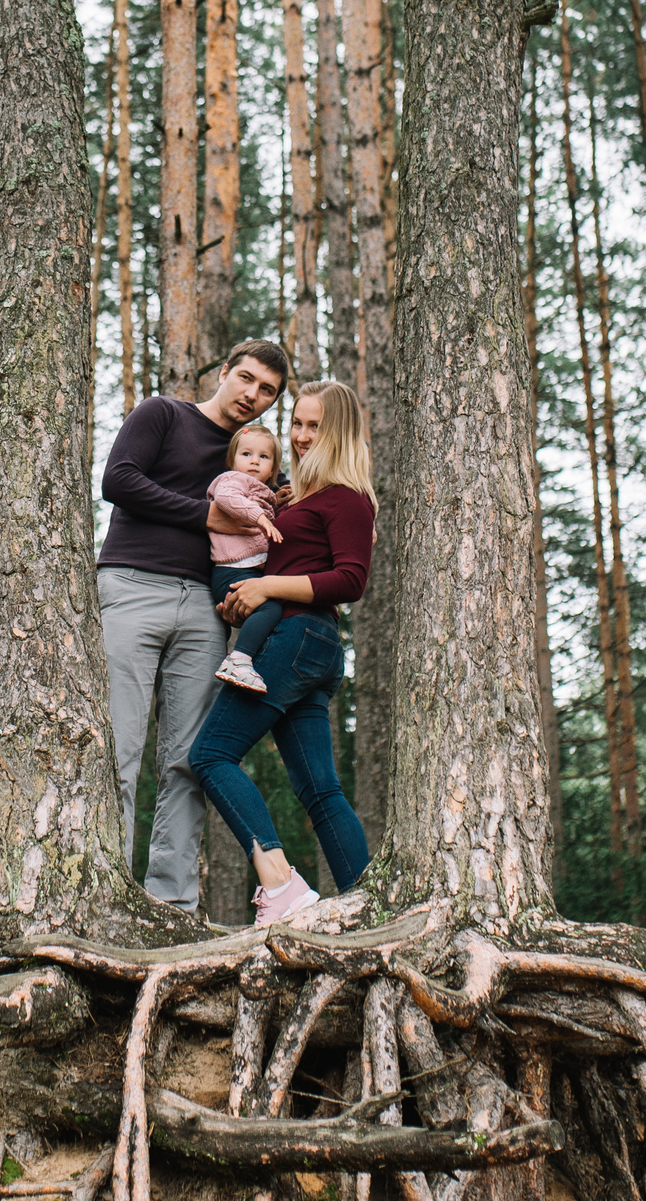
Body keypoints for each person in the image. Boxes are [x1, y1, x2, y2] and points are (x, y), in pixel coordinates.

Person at [97, 339, 291, 911]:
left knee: (188, 760)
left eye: (267, 391)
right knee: (119, 749)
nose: (252, 395)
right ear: (225, 372)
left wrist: (248, 592)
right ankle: (105, 895)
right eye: (247, 379)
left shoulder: (250, 457)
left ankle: (171, 906)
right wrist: (208, 512)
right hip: (133, 587)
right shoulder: (162, 413)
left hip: (206, 612)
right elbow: (119, 480)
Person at [186, 380, 375, 924]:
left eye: (314, 426)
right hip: (302, 645)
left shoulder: (347, 497)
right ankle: (368, 912)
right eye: (296, 423)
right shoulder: (304, 495)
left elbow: (350, 579)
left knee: (211, 755)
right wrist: (245, 597)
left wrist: (266, 589)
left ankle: (282, 885)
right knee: (319, 789)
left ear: (338, 432)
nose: (299, 436)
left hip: (298, 639)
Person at [208, 426, 285, 693]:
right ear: (232, 460)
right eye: (247, 453)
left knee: (273, 609)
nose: (254, 460)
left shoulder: (262, 491)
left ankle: (248, 660)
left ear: (273, 468)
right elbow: (228, 499)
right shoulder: (231, 479)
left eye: (264, 457)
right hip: (232, 570)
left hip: (248, 571)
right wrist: (260, 517)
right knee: (270, 609)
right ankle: (239, 659)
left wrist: (277, 501)